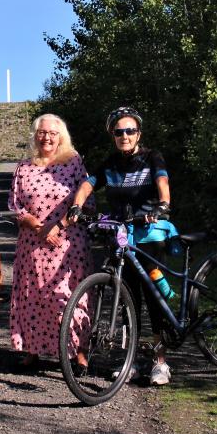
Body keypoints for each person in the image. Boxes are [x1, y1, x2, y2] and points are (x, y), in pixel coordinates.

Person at [67, 106, 173, 386]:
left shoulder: (152, 157)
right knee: (129, 301)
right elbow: (89, 184)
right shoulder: (111, 164)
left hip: (150, 236)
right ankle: (133, 361)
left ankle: (161, 362)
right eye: (119, 132)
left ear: (138, 133)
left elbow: (162, 180)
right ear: (113, 135)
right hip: (122, 238)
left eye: (130, 130)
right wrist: (76, 206)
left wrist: (163, 204)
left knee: (154, 300)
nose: (124, 136)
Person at [7, 113, 93, 370]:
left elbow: (85, 199)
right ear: (35, 135)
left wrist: (60, 225)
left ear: (61, 137)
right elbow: (15, 204)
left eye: (52, 133)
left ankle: (79, 351)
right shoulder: (24, 166)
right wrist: (37, 225)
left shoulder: (74, 162)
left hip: (68, 245)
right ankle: (32, 350)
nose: (46, 137)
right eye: (42, 132)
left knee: (70, 297)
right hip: (32, 245)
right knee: (33, 296)